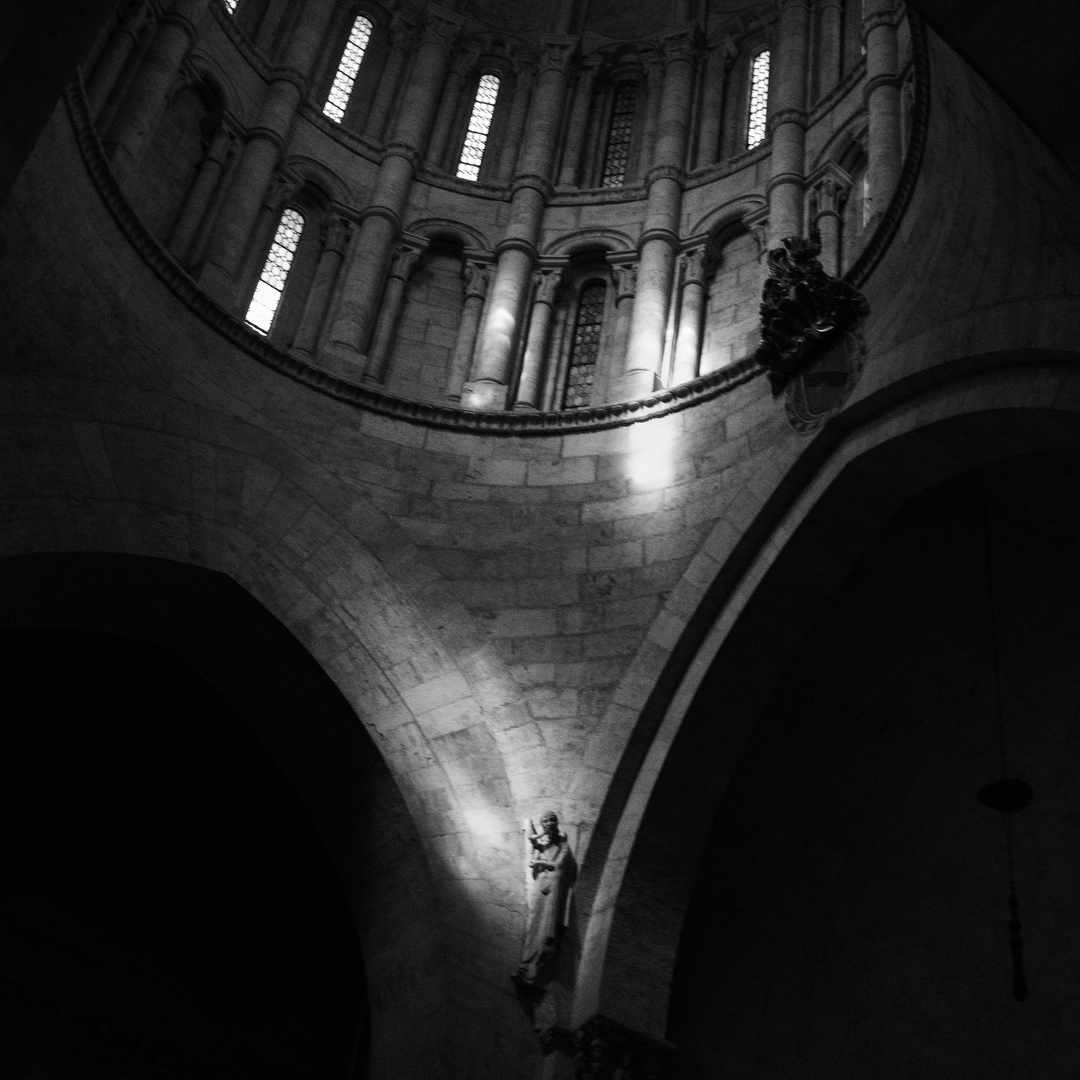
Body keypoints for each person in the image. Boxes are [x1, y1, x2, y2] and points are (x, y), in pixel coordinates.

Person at [514, 811, 573, 987]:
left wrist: (540, 863)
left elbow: (557, 865)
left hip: (554, 885)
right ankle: (526, 962)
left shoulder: (563, 846)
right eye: (545, 821)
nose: (548, 823)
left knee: (547, 926)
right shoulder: (543, 844)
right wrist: (535, 837)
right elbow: (534, 842)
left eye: (551, 820)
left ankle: (537, 965)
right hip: (541, 883)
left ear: (556, 823)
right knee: (534, 920)